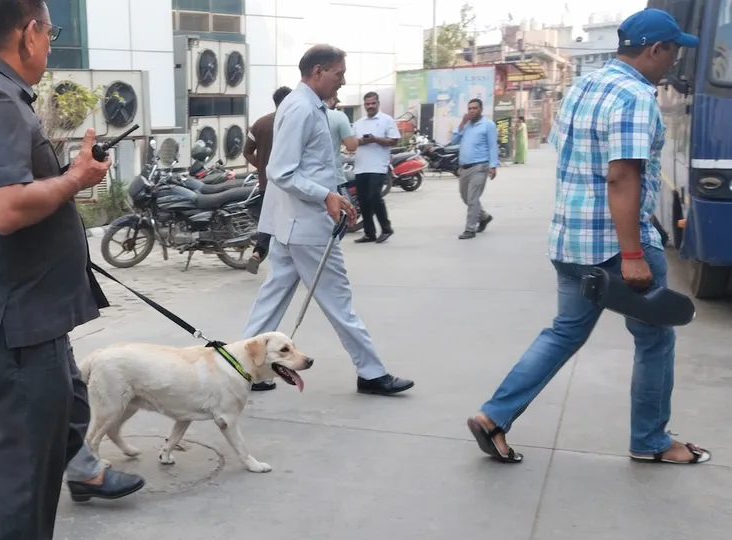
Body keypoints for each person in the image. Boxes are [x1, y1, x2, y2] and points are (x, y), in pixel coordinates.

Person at [0, 1, 144, 537]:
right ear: (28, 34)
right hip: (16, 323)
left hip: (13, 316)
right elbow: (2, 207)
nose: (49, 41)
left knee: (50, 445)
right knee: (26, 498)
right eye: (49, 31)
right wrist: (75, 179)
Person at [467, 8, 711, 466]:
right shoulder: (636, 97)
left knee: (563, 333)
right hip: (617, 247)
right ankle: (651, 440)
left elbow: (569, 154)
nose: (673, 62)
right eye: (673, 52)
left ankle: (493, 416)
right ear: (655, 50)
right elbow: (621, 177)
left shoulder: (584, 85)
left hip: (570, 240)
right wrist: (634, 254)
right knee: (656, 339)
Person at [242, 44, 414, 396]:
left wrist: (337, 195)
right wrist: (326, 196)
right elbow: (280, 171)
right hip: (305, 226)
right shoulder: (302, 108)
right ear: (318, 71)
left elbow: (317, 166)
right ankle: (371, 372)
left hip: (292, 224)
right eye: (339, 74)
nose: (342, 81)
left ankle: (245, 368)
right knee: (339, 301)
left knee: (272, 297)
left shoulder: (307, 106)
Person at [243, 85, 292, 276]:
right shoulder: (292, 122)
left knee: (268, 221)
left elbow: (247, 151)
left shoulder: (260, 123)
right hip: (290, 184)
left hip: (267, 183)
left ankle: (258, 252)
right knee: (288, 223)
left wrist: (262, 167)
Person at [350, 91, 398, 243]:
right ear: (364, 105)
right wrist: (362, 141)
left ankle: (386, 228)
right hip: (361, 166)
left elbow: (394, 140)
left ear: (378, 103)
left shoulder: (387, 120)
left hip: (378, 166)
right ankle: (369, 233)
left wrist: (376, 139)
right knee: (363, 201)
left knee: (374, 197)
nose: (370, 106)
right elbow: (351, 142)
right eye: (367, 104)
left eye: (373, 103)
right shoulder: (358, 123)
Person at [450, 98, 498, 240]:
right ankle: (484, 217)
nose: (471, 111)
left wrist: (493, 165)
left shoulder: (488, 125)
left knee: (472, 198)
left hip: (480, 166)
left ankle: (470, 229)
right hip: (464, 167)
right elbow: (453, 140)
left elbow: (492, 146)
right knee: (465, 196)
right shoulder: (466, 125)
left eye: (474, 108)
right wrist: (462, 123)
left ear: (481, 110)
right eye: (469, 108)